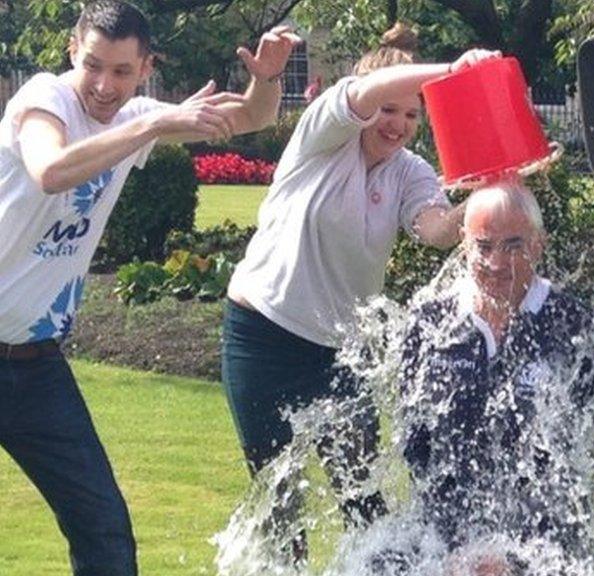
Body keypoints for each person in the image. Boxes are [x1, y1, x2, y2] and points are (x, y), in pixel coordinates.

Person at [0, 2, 300, 574]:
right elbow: (51, 170)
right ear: (72, 52)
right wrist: (156, 123)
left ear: (145, 68)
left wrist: (266, 80)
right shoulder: (44, 97)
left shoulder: (134, 115)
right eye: (93, 66)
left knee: (105, 531)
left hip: (35, 368)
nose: (104, 85)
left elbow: (251, 119)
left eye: (121, 71)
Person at [219, 21, 501, 557]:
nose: (397, 124)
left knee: (366, 506)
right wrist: (453, 71)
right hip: (261, 339)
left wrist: (488, 192)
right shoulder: (323, 136)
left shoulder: (409, 171)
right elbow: (358, 94)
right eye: (387, 109)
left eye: (412, 114)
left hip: (341, 357)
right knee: (280, 511)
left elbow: (437, 231)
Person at [377, 181, 594, 574]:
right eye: (483, 246)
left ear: (538, 244)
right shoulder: (431, 323)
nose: (497, 263)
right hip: (446, 538)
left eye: (513, 245)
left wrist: (510, 558)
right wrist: (452, 549)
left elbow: (578, 452)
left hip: (541, 541)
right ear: (463, 244)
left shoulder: (571, 323)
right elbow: (417, 447)